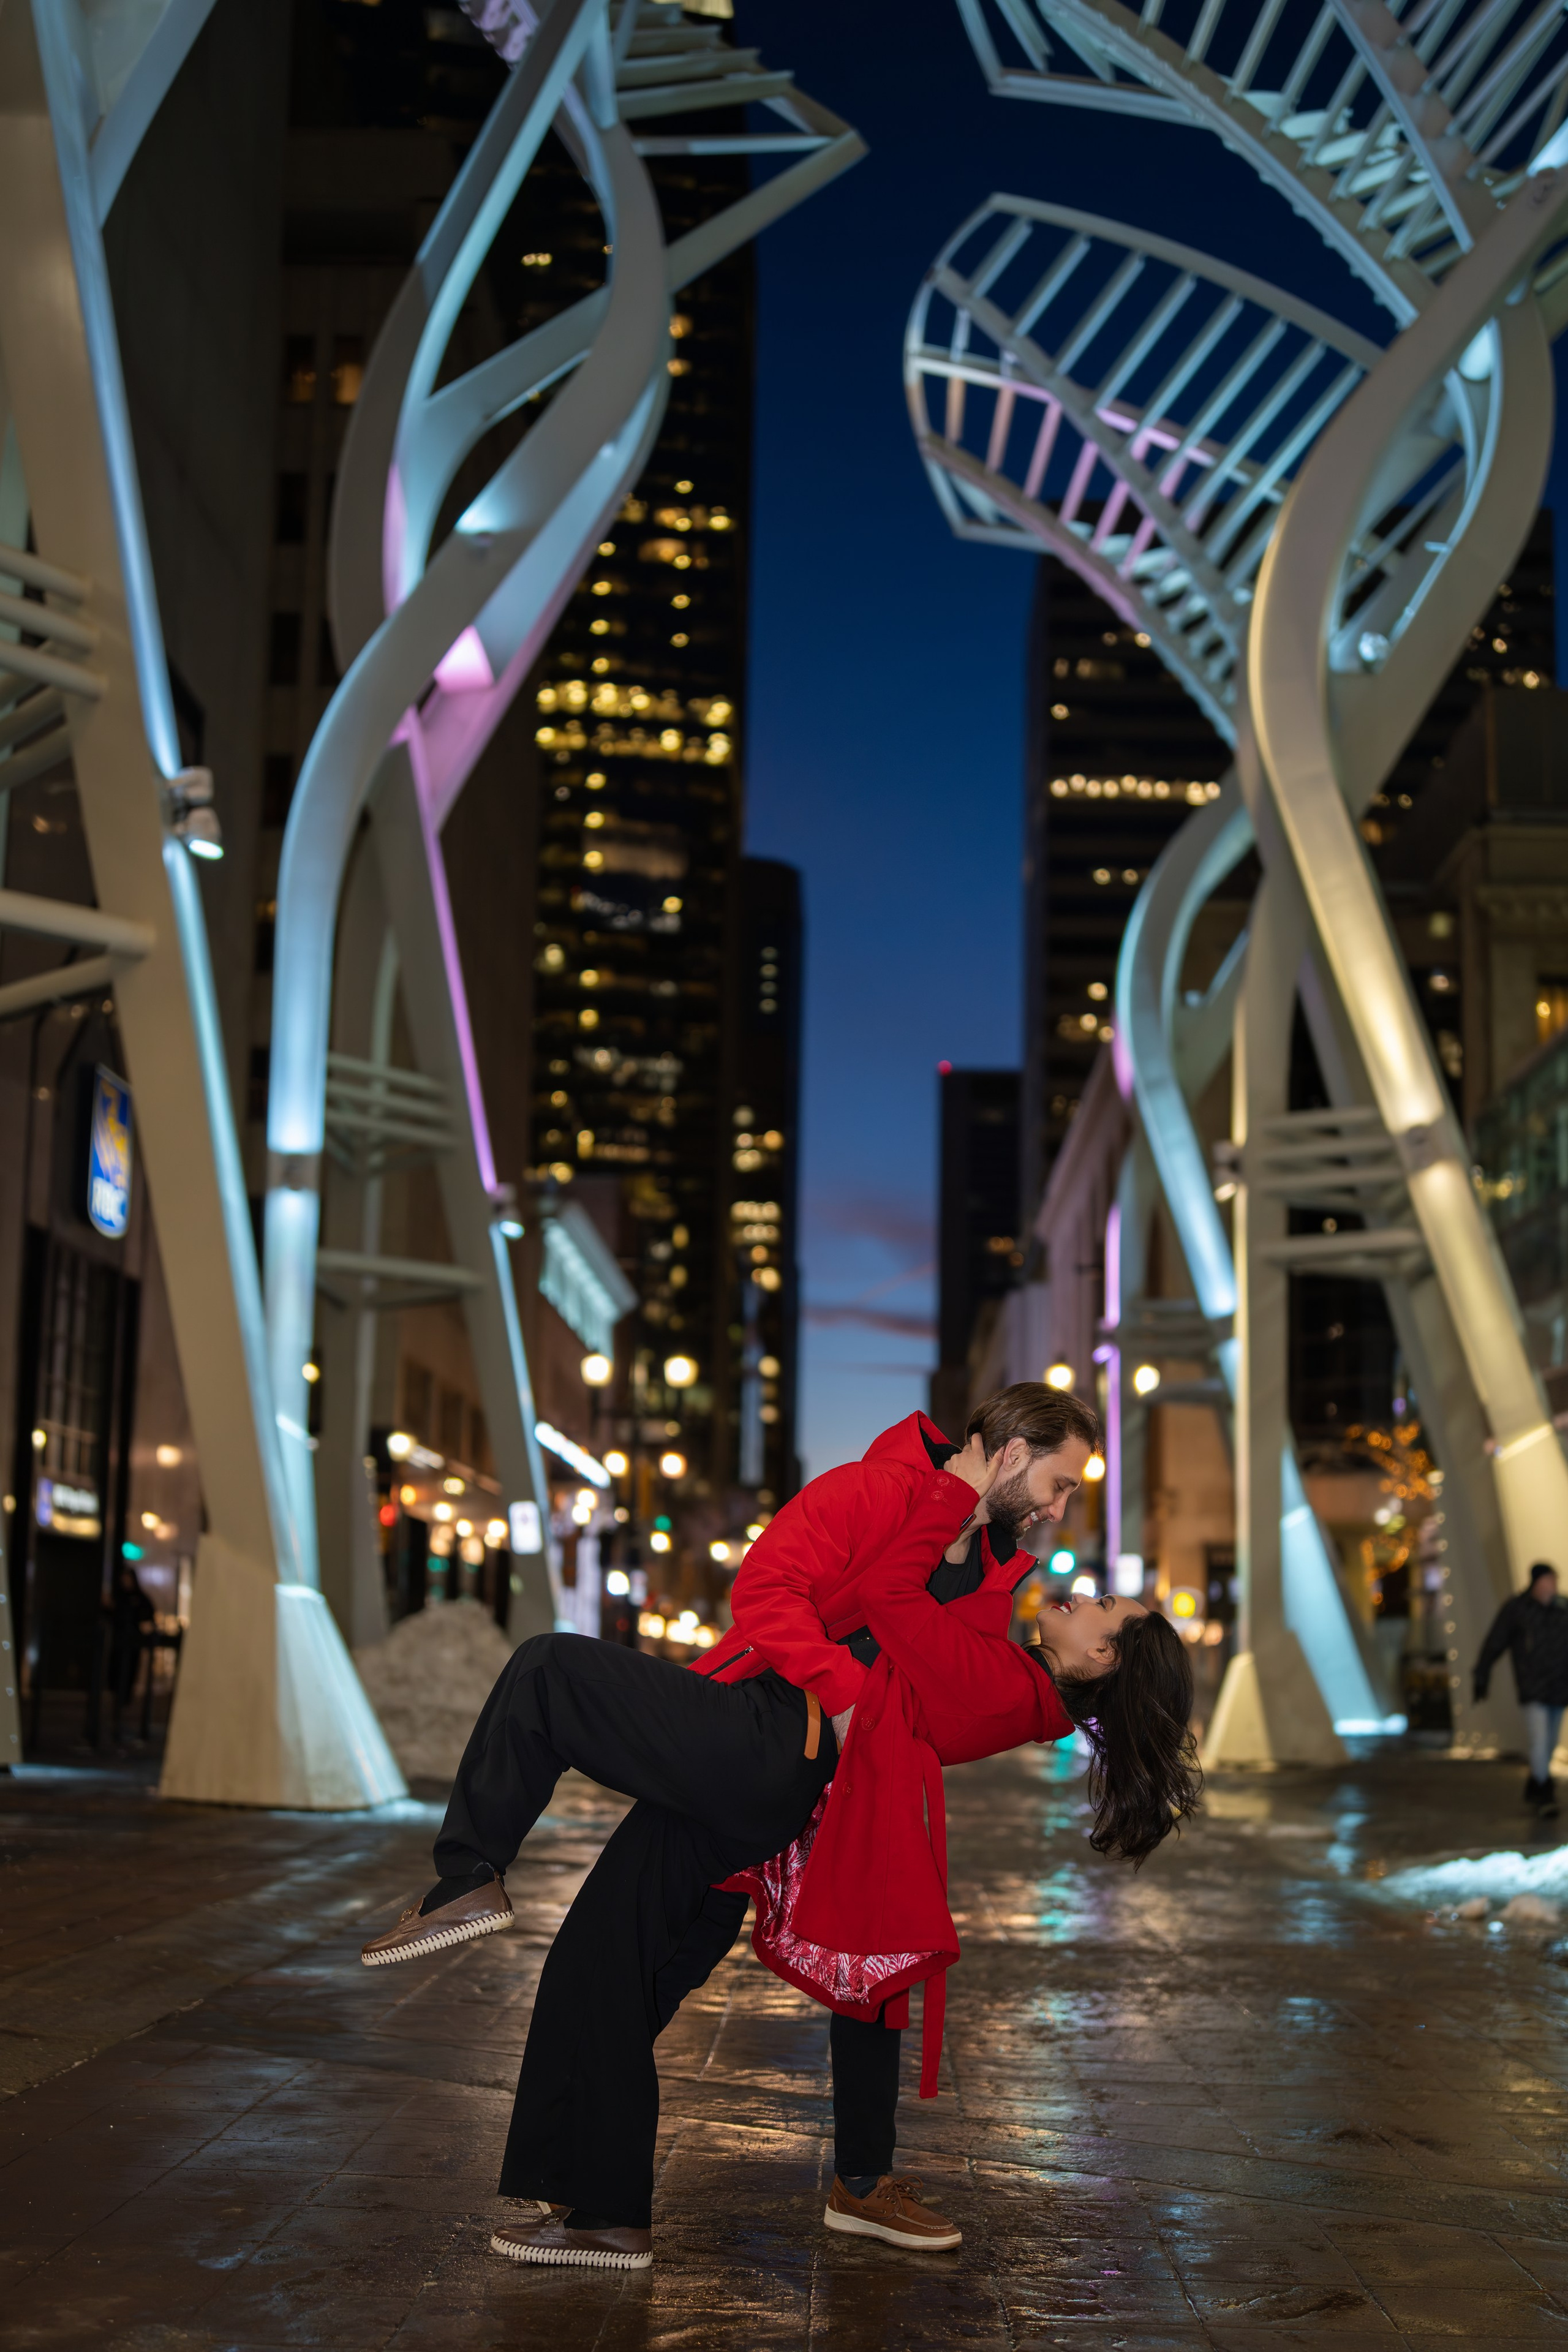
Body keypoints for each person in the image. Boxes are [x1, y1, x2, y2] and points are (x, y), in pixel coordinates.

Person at [360, 1385, 1199, 2272]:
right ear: (1011, 1453)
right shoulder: (878, 1494)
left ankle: (469, 1876)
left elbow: (905, 1648)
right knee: (600, 1967)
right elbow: (768, 1593)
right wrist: (854, 1688)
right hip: (760, 1750)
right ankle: (608, 2215)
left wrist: (860, 1685)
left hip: (773, 1757)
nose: (1061, 1512)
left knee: (547, 1670)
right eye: (1059, 1484)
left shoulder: (1001, 1602)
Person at [1473, 1562, 1568, 1816]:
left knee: (1549, 1745)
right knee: (1539, 1742)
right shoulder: (1517, 1609)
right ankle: (1545, 1793)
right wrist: (1481, 1674)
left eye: (1554, 1580)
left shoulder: (1562, 1608)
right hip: (1533, 1687)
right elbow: (1496, 1641)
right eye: (1548, 1580)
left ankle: (1535, 1785)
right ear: (1536, 1582)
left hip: (1560, 1688)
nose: (1552, 1585)